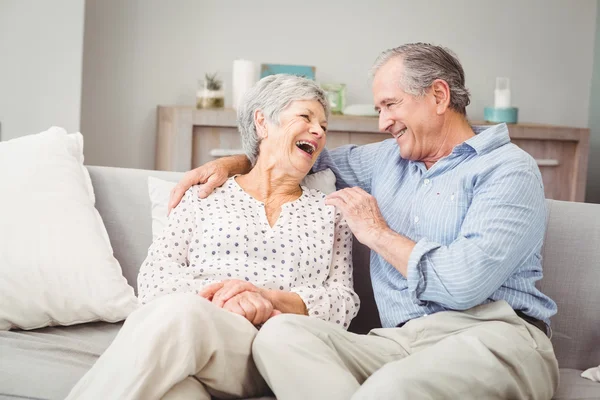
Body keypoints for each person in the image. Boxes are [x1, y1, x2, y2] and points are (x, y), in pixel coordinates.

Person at [168, 43, 559, 400]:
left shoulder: (508, 169)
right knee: (279, 334)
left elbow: (462, 284)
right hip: (400, 342)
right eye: (378, 110)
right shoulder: (387, 159)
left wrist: (377, 233)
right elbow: (297, 158)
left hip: (495, 336)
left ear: (438, 96)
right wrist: (230, 164)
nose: (382, 123)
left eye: (390, 105)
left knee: (392, 389)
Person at [66, 74, 359, 400]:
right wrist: (227, 301)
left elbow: (342, 303)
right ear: (262, 122)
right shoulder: (205, 194)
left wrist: (266, 299)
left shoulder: (331, 212)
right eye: (305, 117)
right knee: (178, 393)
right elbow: (154, 278)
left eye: (323, 125)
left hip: (272, 351)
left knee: (183, 315)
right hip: (193, 337)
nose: (319, 132)